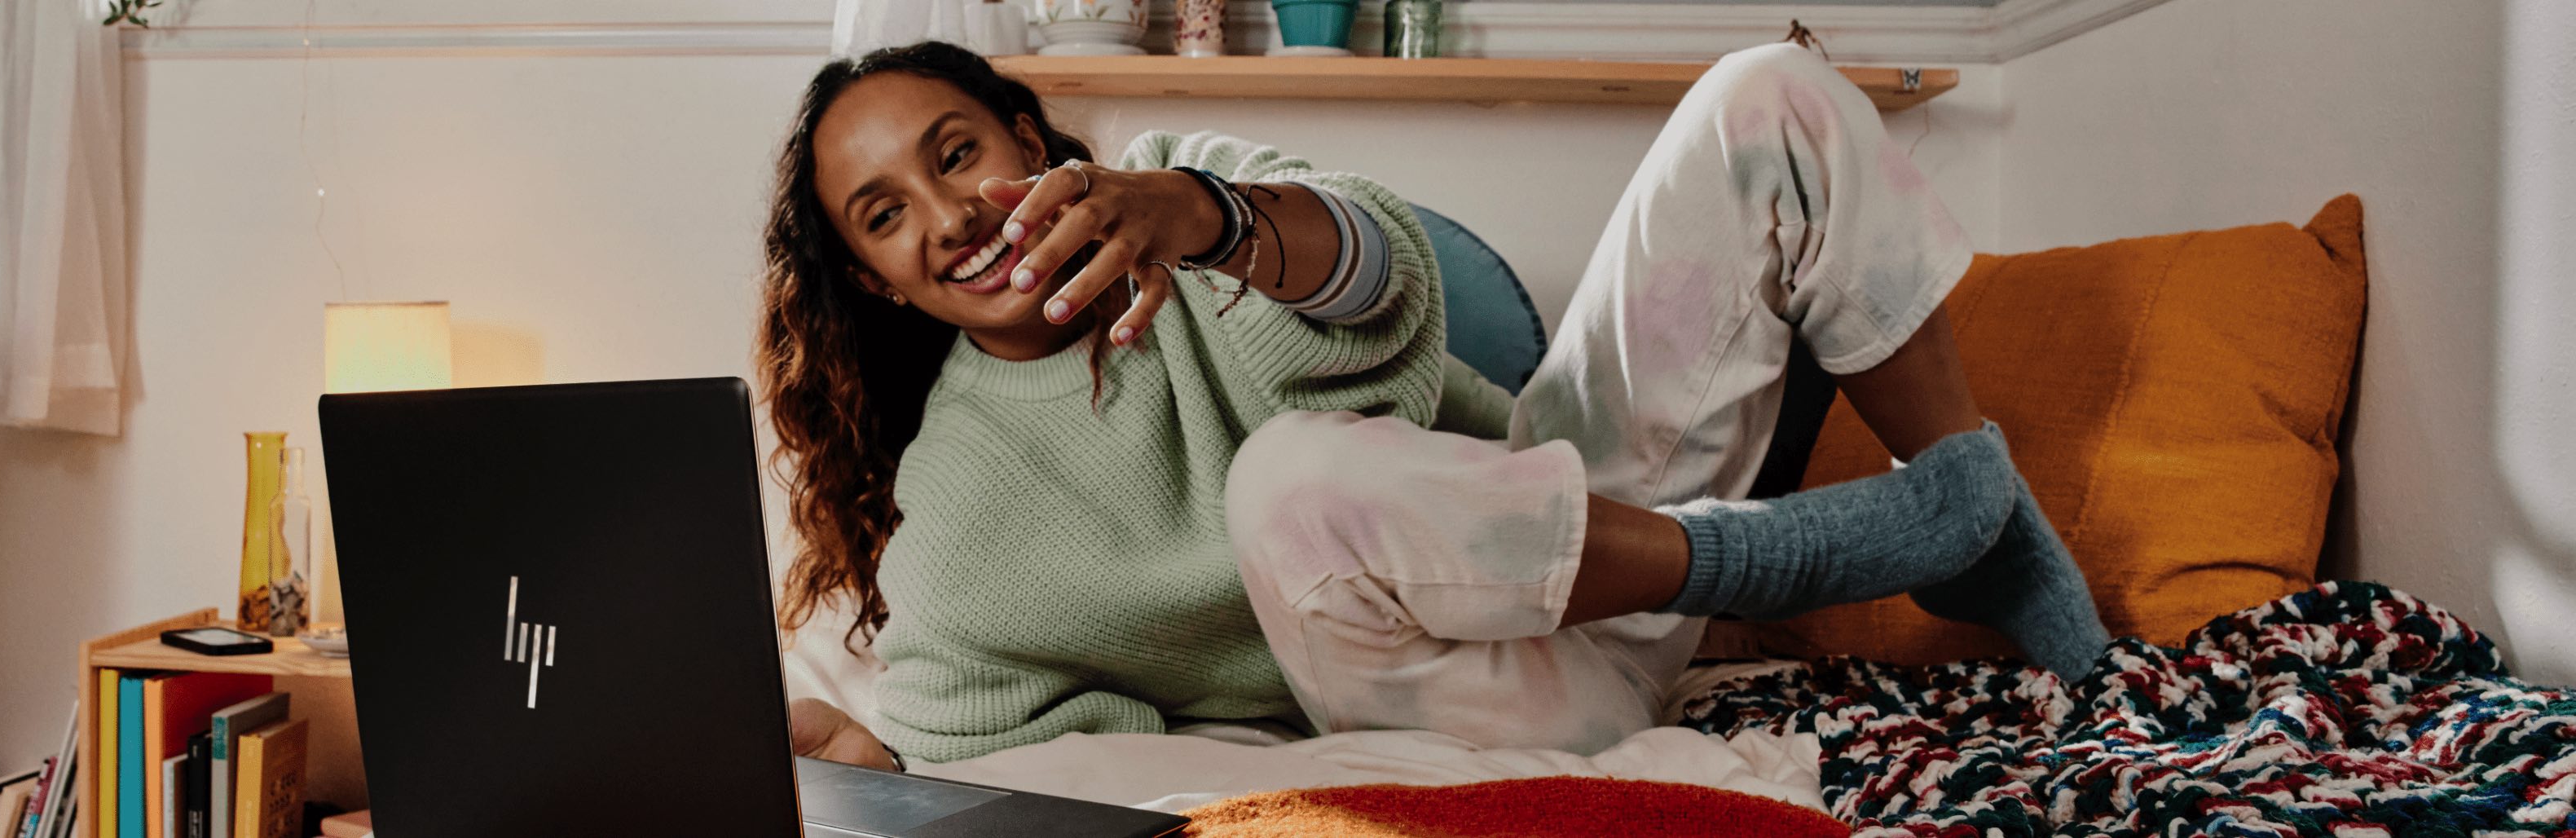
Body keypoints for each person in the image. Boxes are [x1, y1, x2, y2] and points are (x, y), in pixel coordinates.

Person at [756, 40, 2106, 771]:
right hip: (1470, 696)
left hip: (1578, 517)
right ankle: (1789, 550)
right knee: (1289, 481)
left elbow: (1386, 286)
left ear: (1028, 142)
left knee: (1773, 92)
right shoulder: (958, 508)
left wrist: (1208, 220)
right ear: (874, 281)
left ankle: (1980, 527)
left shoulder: (1183, 180)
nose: (949, 217)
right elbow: (970, 729)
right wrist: (855, 749)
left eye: (958, 154)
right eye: (888, 214)